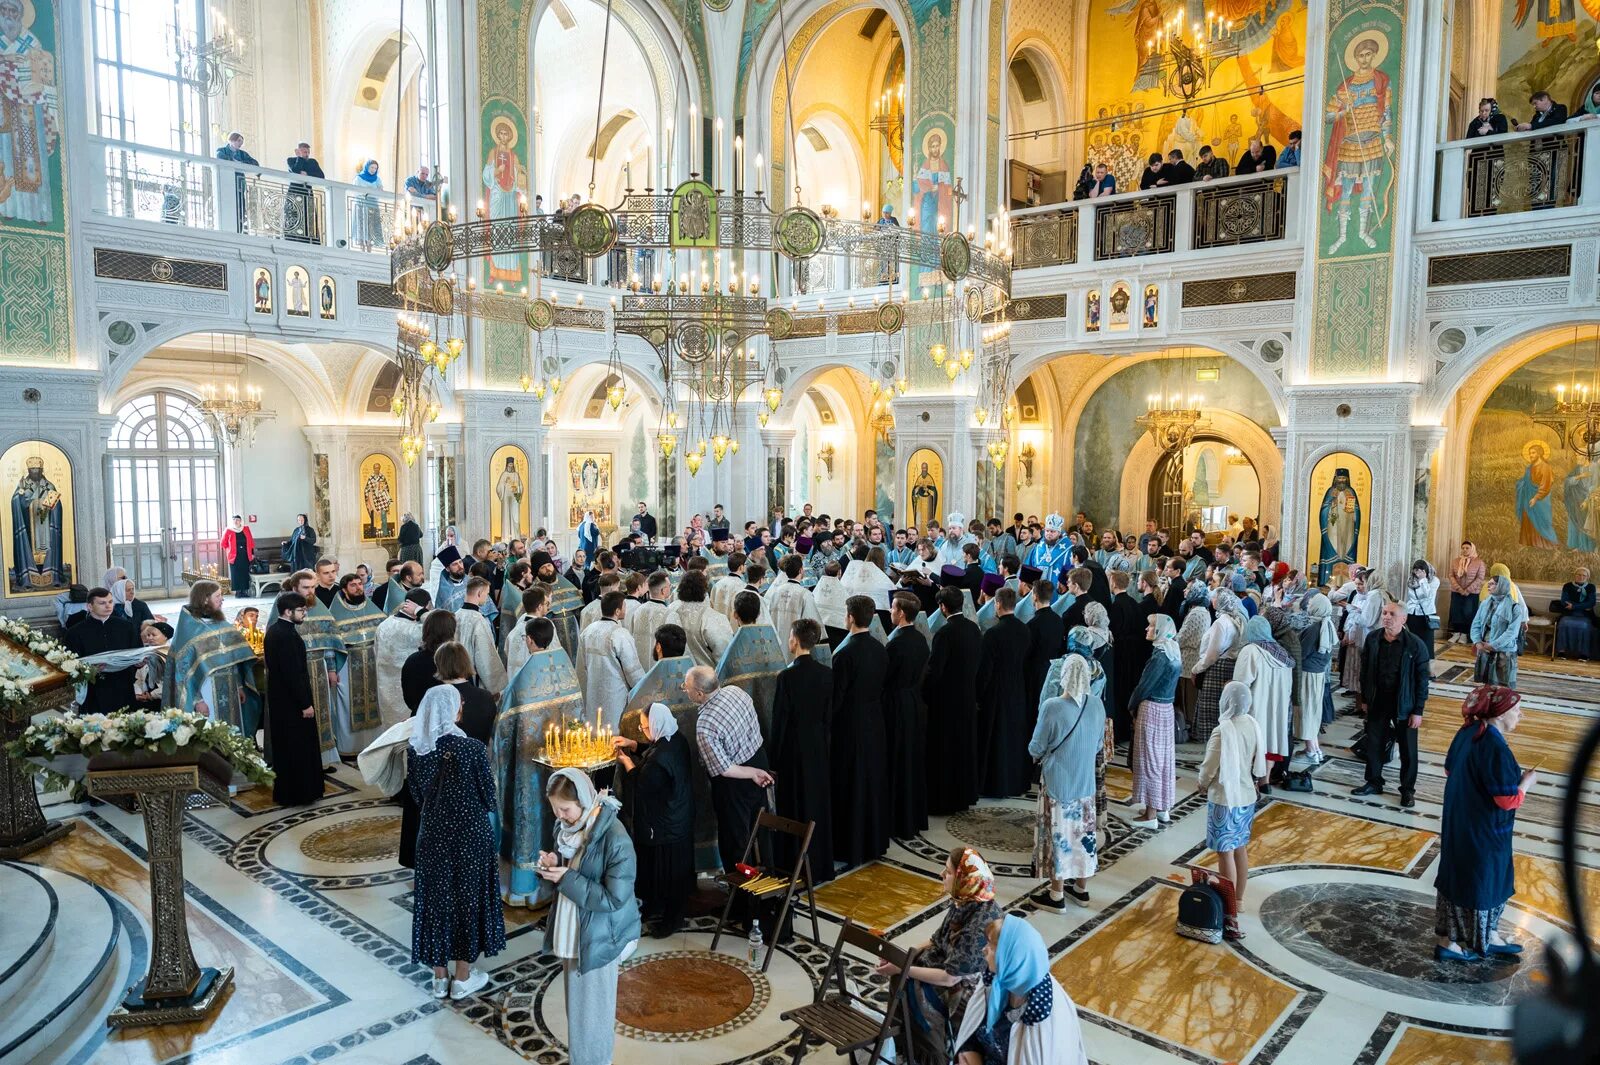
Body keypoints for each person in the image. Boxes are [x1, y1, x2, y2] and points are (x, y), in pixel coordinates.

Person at [409, 685, 505, 1001]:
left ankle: (440, 979)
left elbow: (417, 796)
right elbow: (489, 798)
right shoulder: (474, 749)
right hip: (470, 836)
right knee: (468, 900)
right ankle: (463, 977)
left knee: (436, 902)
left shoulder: (416, 751)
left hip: (432, 838)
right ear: (454, 710)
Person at [537, 768, 640, 1065]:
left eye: (565, 809)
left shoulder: (615, 837)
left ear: (583, 800)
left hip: (600, 936)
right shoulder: (571, 830)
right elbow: (577, 865)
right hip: (576, 930)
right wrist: (556, 861)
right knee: (579, 1012)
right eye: (556, 810)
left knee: (593, 1016)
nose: (561, 816)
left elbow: (613, 898)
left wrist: (566, 877)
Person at [1434, 685, 1538, 962]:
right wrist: (1526, 784)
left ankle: (1448, 940)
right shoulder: (1494, 746)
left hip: (1460, 819)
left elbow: (1449, 769)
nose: (1521, 715)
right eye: (1516, 710)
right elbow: (1507, 800)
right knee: (1486, 881)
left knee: (1457, 876)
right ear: (1501, 714)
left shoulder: (1467, 731)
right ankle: (1484, 939)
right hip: (1485, 829)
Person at [878, 847, 1002, 1056]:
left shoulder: (980, 922)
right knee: (901, 976)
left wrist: (903, 968)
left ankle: (931, 1055)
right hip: (947, 967)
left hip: (966, 986)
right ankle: (905, 1046)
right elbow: (936, 940)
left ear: (964, 878)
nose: (941, 875)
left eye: (948, 872)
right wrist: (901, 956)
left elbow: (950, 978)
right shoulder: (966, 900)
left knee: (912, 988)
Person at [494, 616, 582, 907]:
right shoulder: (565, 666)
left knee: (531, 817)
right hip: (564, 762)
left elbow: (504, 727)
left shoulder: (525, 677)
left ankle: (527, 882)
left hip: (529, 768)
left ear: (530, 640)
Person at [953, 915, 1090, 1065]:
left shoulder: (1042, 1018)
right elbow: (972, 1030)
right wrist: (968, 1052)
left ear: (1012, 957)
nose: (984, 950)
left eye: (992, 947)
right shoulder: (1000, 979)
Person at [1029, 656, 1105, 910]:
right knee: (1084, 836)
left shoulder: (1052, 706)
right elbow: (1097, 745)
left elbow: (1036, 746)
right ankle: (1081, 889)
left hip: (1058, 782)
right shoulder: (1096, 705)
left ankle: (1056, 895)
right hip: (1085, 783)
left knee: (1058, 835)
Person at [612, 702, 693, 937]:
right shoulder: (676, 738)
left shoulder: (659, 760)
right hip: (677, 817)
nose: (643, 730)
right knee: (660, 871)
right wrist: (633, 744)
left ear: (657, 724)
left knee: (668, 874)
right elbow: (653, 749)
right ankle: (655, 906)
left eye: (646, 727)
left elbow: (641, 784)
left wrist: (627, 762)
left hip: (666, 825)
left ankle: (671, 920)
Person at [684, 666, 774, 876]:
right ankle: (769, 885)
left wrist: (751, 772)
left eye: (685, 688)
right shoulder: (736, 691)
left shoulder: (705, 724)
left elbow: (723, 768)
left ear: (699, 693)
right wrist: (756, 769)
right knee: (761, 829)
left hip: (736, 782)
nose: (684, 691)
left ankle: (742, 899)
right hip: (759, 760)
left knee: (736, 841)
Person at [768, 617, 835, 881]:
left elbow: (780, 721)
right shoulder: (827, 674)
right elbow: (829, 715)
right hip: (818, 745)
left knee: (794, 802)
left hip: (793, 750)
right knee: (817, 801)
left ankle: (793, 861)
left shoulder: (787, 677)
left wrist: (773, 760)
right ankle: (819, 863)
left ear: (794, 640)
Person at [1198, 681, 1266, 941]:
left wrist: (1202, 783)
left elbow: (1210, 765)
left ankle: (1229, 908)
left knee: (1224, 852)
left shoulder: (1222, 730)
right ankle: (1239, 899)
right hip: (1247, 795)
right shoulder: (1252, 723)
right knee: (1240, 848)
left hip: (1225, 798)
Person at [832, 595, 891, 867]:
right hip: (875, 719)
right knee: (871, 779)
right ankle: (874, 840)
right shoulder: (880, 648)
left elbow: (837, 697)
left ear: (851, 618)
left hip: (851, 724)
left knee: (851, 781)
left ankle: (851, 844)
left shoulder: (845, 654)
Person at [1354, 600, 1431, 807]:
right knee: (1374, 744)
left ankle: (1407, 790)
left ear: (1403, 619)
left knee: (1408, 750)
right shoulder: (1373, 639)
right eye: (1384, 612)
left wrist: (1418, 710)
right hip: (1378, 700)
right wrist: (1365, 698)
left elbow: (1422, 680)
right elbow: (1365, 671)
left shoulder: (1415, 645)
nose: (1386, 617)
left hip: (1404, 704)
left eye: (1392, 614)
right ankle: (1373, 781)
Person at [167, 579, 259, 734]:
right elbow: (184, 673)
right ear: (205, 599)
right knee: (213, 733)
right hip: (206, 691)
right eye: (218, 596)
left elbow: (233, 659)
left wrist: (240, 686)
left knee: (234, 732)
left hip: (230, 690)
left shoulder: (222, 624)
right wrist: (198, 701)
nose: (222, 599)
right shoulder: (189, 630)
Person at [265, 592, 325, 806]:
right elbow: (293, 674)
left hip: (281, 700)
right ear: (287, 612)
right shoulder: (286, 636)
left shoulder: (276, 630)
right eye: (301, 610)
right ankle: (301, 793)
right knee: (298, 747)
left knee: (287, 747)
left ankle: (289, 793)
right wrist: (305, 704)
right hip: (292, 703)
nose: (305, 614)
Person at [925, 585, 982, 814]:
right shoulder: (973, 629)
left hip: (946, 702)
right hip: (967, 696)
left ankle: (944, 800)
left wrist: (926, 692)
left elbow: (935, 671)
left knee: (946, 751)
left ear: (942, 607)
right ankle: (963, 796)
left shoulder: (944, 633)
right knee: (963, 748)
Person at [977, 587, 1033, 799]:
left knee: (997, 737)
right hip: (1017, 688)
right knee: (1013, 736)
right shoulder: (1024, 629)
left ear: (998, 604)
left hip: (997, 691)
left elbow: (985, 671)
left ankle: (995, 784)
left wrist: (979, 694)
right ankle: (1014, 781)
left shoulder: (993, 634)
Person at [884, 593, 932, 839]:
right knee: (911, 760)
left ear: (901, 613)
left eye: (893, 608)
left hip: (896, 705)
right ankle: (911, 816)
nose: (890, 611)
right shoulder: (921, 640)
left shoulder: (895, 643)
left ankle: (897, 819)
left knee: (898, 760)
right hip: (914, 703)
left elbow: (886, 678)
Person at [1126, 614, 1180, 829]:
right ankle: (1161, 808)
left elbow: (1144, 686)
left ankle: (1150, 815)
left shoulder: (1159, 656)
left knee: (1150, 760)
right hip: (1166, 709)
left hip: (1152, 709)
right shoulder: (1173, 651)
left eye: (1151, 626)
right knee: (1163, 759)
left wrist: (1131, 704)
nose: (1147, 629)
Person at [64, 587, 141, 714]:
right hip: (94, 689)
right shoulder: (75, 632)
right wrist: (87, 670)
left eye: (110, 602)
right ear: (90, 606)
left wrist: (139, 662)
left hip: (122, 686)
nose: (108, 606)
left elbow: (136, 650)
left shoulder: (126, 627)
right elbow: (69, 664)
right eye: (102, 603)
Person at [577, 590, 644, 723]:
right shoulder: (620, 634)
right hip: (615, 695)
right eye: (624, 605)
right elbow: (633, 671)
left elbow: (581, 665)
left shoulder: (588, 631)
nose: (626, 608)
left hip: (593, 692)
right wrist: (643, 689)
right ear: (617, 611)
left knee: (597, 731)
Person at [375, 589, 429, 728]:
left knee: (391, 732)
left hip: (386, 689)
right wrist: (421, 612)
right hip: (410, 692)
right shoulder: (417, 630)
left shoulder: (383, 625)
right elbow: (438, 625)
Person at [1295, 592, 1336, 763]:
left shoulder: (1314, 629)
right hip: (1317, 675)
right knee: (1312, 710)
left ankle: (1311, 750)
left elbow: (1301, 653)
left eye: (1312, 604)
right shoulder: (1327, 624)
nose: (1309, 606)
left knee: (1306, 711)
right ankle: (1314, 748)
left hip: (1308, 675)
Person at [433, 640, 499, 743]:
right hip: (477, 756)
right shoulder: (486, 697)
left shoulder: (434, 697)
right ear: (466, 663)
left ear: (439, 665)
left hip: (442, 757)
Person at [1471, 574, 1528, 688]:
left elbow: (1511, 633)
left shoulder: (1514, 608)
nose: (1488, 586)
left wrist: (1493, 645)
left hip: (1504, 650)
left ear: (1501, 586)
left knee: (1502, 687)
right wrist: (1477, 642)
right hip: (1485, 647)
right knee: (1486, 686)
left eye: (1492, 584)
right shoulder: (1485, 603)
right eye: (1489, 583)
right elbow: (1476, 624)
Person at [455, 576, 507, 695]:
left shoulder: (455, 615)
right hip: (472, 677)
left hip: (456, 674)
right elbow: (485, 656)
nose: (487, 597)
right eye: (486, 594)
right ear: (479, 593)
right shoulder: (479, 620)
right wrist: (494, 688)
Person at [1552, 567, 1596, 660]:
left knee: (1584, 626)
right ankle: (1561, 652)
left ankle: (1584, 654)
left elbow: (1591, 603)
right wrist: (1583, 606)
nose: (1581, 577)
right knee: (1563, 624)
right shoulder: (1567, 586)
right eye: (1579, 575)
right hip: (1569, 614)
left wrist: (1574, 606)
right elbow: (1564, 601)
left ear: (1587, 577)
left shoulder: (1591, 587)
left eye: (1584, 575)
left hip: (1584, 616)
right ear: (1575, 575)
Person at [1447, 541, 1486, 643]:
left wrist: (1468, 590)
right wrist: (1459, 589)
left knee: (1468, 613)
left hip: (1471, 593)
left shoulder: (1479, 562)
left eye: (1467, 548)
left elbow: (1480, 578)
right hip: (1457, 591)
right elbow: (1451, 575)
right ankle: (1456, 633)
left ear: (1472, 549)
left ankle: (1464, 635)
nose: (1464, 550)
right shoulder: (1455, 561)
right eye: (1463, 548)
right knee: (1456, 612)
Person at [1403, 560, 1440, 657]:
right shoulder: (1411, 580)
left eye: (1420, 570)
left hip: (1426, 613)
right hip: (1412, 612)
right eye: (1415, 570)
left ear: (1426, 570)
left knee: (1426, 640)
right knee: (1413, 638)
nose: (1417, 573)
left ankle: (1426, 663)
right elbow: (1411, 597)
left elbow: (1427, 595)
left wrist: (1423, 580)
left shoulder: (1434, 580)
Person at [351, 159, 384, 250]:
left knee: (371, 225)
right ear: (367, 167)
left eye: (375, 168)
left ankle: (370, 247)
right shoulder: (359, 178)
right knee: (361, 224)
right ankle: (362, 247)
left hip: (373, 204)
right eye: (372, 167)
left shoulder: (377, 179)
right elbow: (356, 191)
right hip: (362, 204)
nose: (373, 170)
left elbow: (380, 191)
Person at [221, 515, 256, 596]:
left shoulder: (246, 529)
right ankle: (238, 592)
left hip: (245, 554)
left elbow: (251, 541)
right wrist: (229, 550)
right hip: (234, 556)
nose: (236, 521)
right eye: (234, 520)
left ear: (240, 521)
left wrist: (252, 553)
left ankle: (244, 591)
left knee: (244, 572)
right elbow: (223, 543)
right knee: (236, 573)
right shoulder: (228, 530)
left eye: (237, 520)